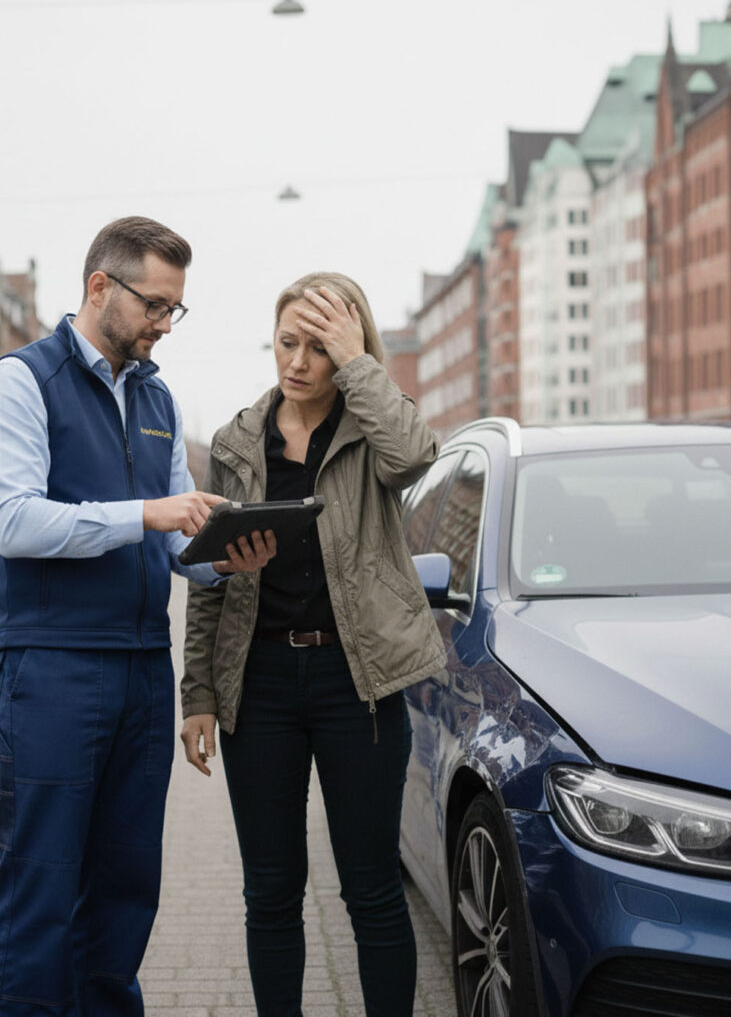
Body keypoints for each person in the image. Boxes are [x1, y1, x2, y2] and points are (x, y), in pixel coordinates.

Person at [0, 216, 275, 1017]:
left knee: (126, 887)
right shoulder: (19, 381)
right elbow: (16, 522)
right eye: (155, 304)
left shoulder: (156, 394)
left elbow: (179, 543)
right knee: (42, 884)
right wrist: (147, 513)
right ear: (99, 286)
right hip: (53, 668)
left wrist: (221, 557)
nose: (165, 323)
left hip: (142, 668)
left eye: (177, 309)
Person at [180, 272, 447, 1017]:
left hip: (354, 681)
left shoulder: (370, 433)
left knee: (369, 887)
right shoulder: (237, 440)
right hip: (257, 684)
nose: (296, 361)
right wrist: (198, 694)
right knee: (268, 890)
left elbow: (417, 457)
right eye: (286, 341)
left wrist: (359, 363)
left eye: (318, 347)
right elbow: (207, 579)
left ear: (349, 351)